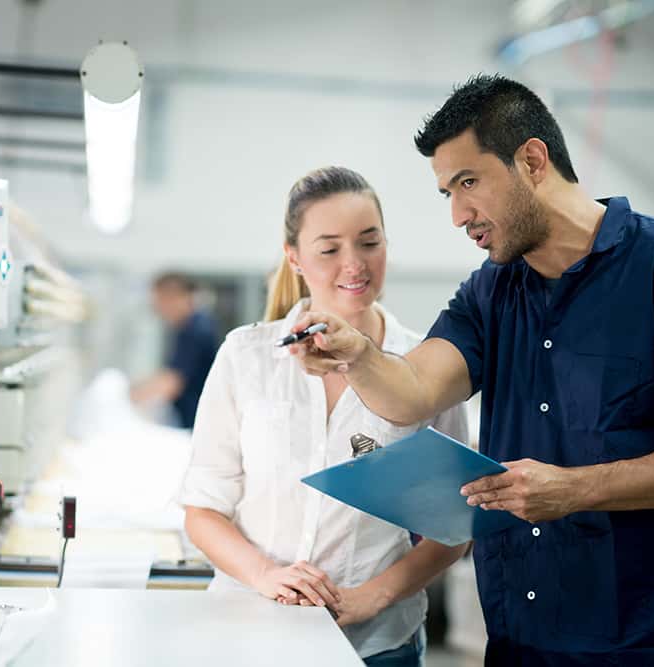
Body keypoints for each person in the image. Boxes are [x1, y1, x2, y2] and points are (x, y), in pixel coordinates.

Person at [288, 76, 654, 665]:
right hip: (522, 640)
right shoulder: (492, 291)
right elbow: (413, 390)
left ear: (532, 160)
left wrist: (577, 489)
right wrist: (360, 355)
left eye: (468, 183)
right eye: (447, 191)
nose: (457, 214)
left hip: (651, 643)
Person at [180, 166, 470, 665]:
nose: (353, 264)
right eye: (329, 248)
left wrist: (371, 597)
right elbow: (203, 510)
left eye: (369, 242)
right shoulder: (247, 356)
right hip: (249, 636)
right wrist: (265, 575)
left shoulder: (430, 362)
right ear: (294, 257)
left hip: (378, 647)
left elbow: (452, 526)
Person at [130, 272, 218, 429]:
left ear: (174, 298)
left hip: (196, 419)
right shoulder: (187, 326)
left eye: (159, 301)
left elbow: (173, 381)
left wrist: (129, 397)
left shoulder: (195, 329)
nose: (157, 309)